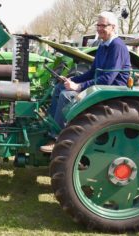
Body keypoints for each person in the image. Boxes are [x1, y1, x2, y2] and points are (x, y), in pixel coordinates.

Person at [40, 11, 131, 153]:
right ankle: (49, 128)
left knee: (66, 95)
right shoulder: (102, 45)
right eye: (98, 25)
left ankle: (56, 138)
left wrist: (78, 86)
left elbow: (109, 78)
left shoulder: (117, 46)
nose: (99, 28)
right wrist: (72, 79)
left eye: (103, 25)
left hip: (112, 89)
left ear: (113, 27)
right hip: (100, 86)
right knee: (59, 88)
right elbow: (92, 72)